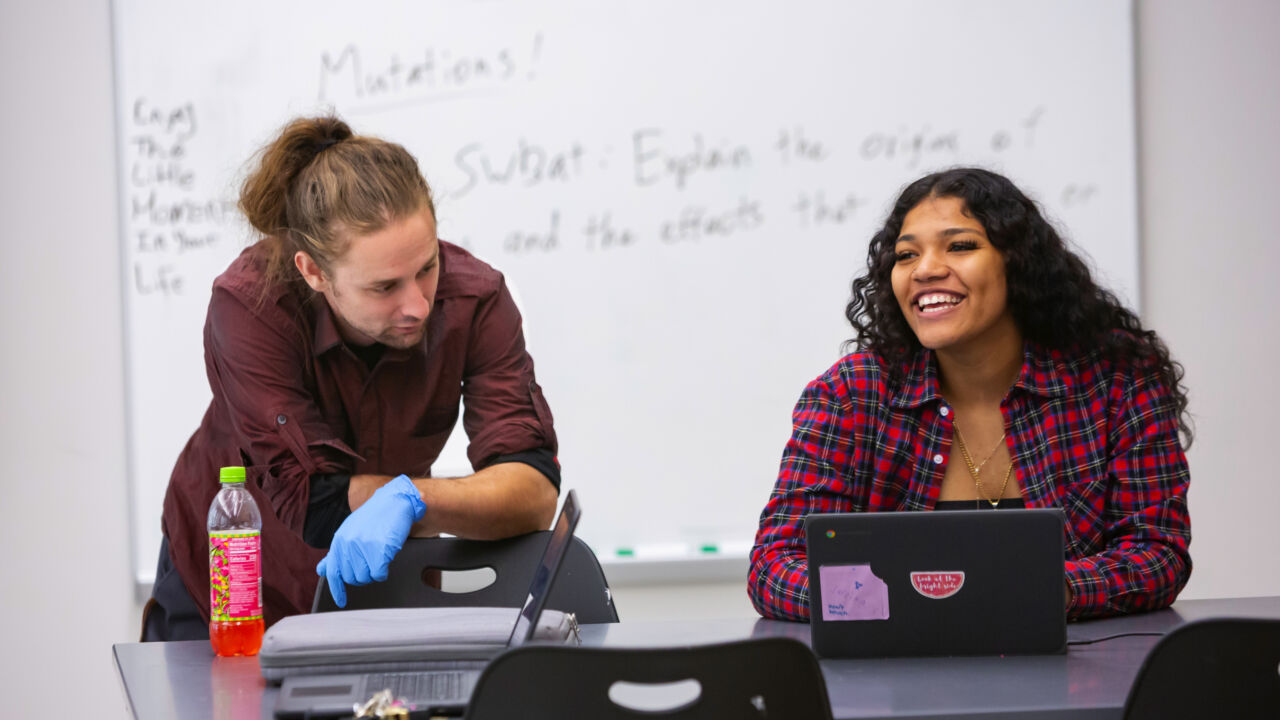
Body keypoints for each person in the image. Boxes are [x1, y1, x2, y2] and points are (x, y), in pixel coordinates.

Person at [143, 116, 560, 640]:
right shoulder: (250, 305)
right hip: (232, 585)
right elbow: (313, 502)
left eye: (427, 267)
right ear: (313, 272)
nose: (418, 305)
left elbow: (534, 489)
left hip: (375, 581)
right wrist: (443, 499)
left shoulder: (477, 299)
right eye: (384, 287)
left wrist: (414, 500)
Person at [748, 167, 1191, 622]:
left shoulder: (1117, 380)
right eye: (906, 255)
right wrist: (893, 604)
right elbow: (774, 567)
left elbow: (1157, 552)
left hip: (1077, 676)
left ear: (1018, 263)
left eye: (960, 246)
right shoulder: (849, 395)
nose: (925, 270)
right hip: (895, 683)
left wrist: (1051, 592)